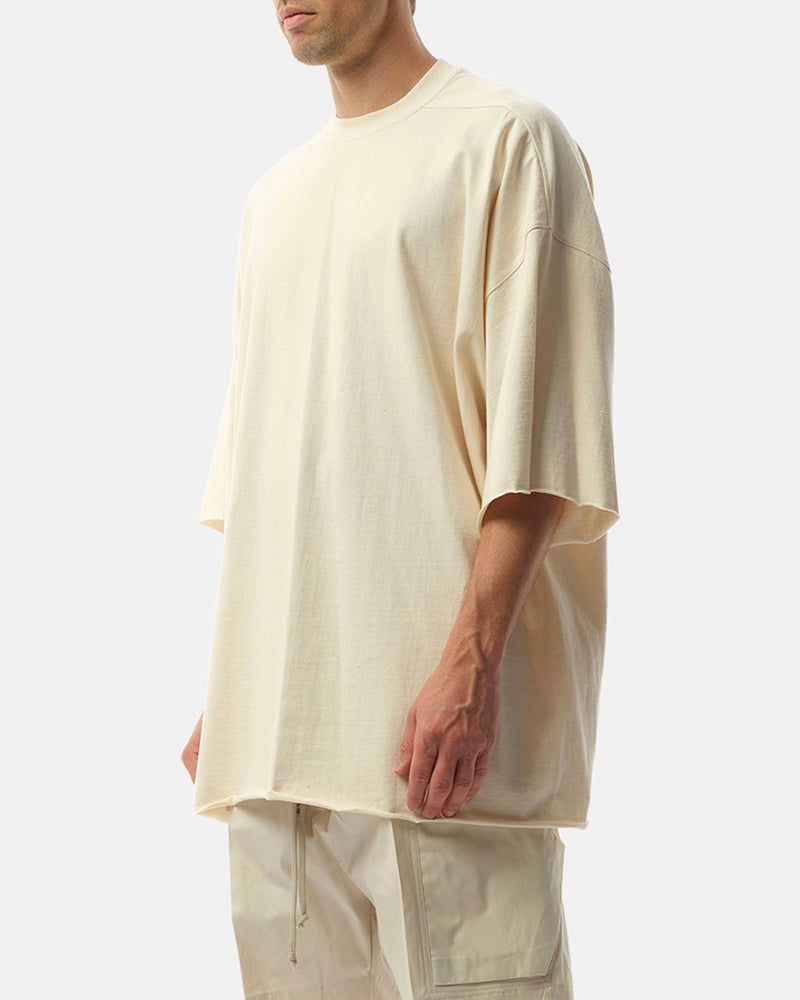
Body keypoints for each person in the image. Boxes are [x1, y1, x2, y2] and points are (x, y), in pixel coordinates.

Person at [181, 1, 619, 997]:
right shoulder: (274, 199)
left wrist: (471, 664)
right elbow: (273, 472)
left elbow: (542, 436)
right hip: (276, 768)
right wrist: (242, 688)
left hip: (438, 761)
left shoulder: (507, 140)